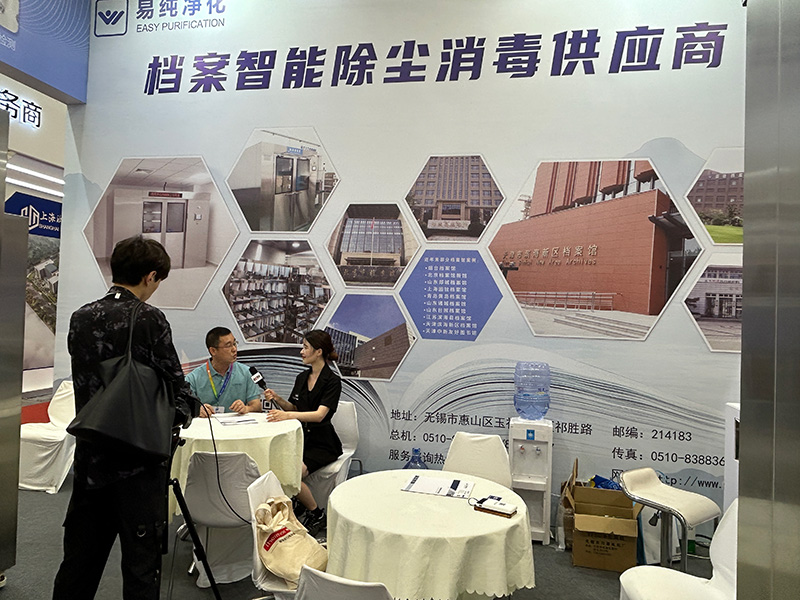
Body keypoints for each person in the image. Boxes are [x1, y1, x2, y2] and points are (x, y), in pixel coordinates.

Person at [53, 235, 198, 600]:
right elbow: (174, 385)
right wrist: (187, 408)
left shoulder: (81, 317)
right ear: (150, 276)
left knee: (79, 564)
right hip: (139, 462)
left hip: (91, 458)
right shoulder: (150, 319)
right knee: (140, 568)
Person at [265, 329, 343, 536]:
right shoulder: (301, 377)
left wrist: (287, 416)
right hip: (300, 439)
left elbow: (319, 415)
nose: (301, 351)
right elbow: (294, 408)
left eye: (305, 347)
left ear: (318, 352)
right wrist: (278, 400)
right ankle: (297, 507)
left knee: (291, 473)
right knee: (278, 470)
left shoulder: (332, 381)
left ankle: (316, 514)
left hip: (322, 443)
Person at [185, 327, 264, 417]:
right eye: (228, 346)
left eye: (234, 343)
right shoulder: (193, 378)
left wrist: (246, 408)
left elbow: (257, 407)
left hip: (236, 424)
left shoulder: (247, 373)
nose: (234, 349)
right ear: (213, 351)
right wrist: (197, 411)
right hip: (207, 424)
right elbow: (183, 409)